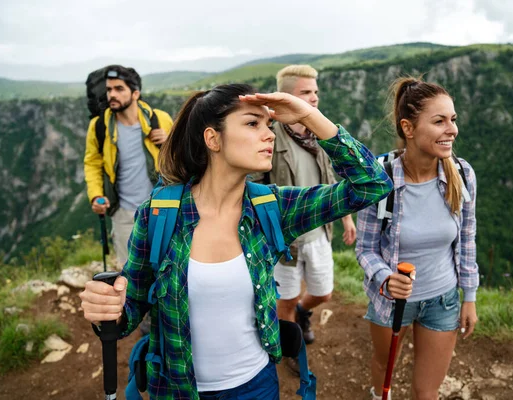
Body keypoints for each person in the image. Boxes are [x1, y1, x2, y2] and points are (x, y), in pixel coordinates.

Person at [80, 83, 391, 399]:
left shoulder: (271, 207)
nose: (269, 134)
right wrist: (111, 310)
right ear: (212, 139)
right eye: (252, 123)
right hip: (177, 390)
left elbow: (372, 184)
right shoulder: (159, 214)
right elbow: (131, 305)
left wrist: (308, 115)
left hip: (256, 386)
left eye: (269, 125)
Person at [356, 77, 479, 400]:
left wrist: (469, 296)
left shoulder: (462, 174)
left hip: (444, 299)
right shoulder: (378, 179)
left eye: (452, 119)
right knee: (384, 369)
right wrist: (385, 278)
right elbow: (366, 249)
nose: (451, 129)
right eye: (439, 121)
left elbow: (467, 238)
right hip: (390, 302)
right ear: (408, 128)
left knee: (427, 393)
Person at [259, 65, 357, 355]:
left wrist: (346, 218)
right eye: (306, 92)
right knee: (284, 301)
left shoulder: (322, 134)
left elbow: (333, 180)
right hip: (285, 240)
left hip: (319, 233)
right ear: (287, 98)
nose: (314, 98)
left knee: (323, 292)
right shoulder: (270, 137)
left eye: (315, 91)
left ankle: (303, 312)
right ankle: (291, 348)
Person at [84, 64, 173, 269]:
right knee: (130, 275)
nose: (112, 95)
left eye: (119, 89)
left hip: (161, 209)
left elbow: (181, 158)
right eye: (108, 90)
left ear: (135, 93)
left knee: (166, 269)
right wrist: (96, 195)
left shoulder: (160, 119)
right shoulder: (99, 126)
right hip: (124, 214)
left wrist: (169, 141)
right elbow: (92, 163)